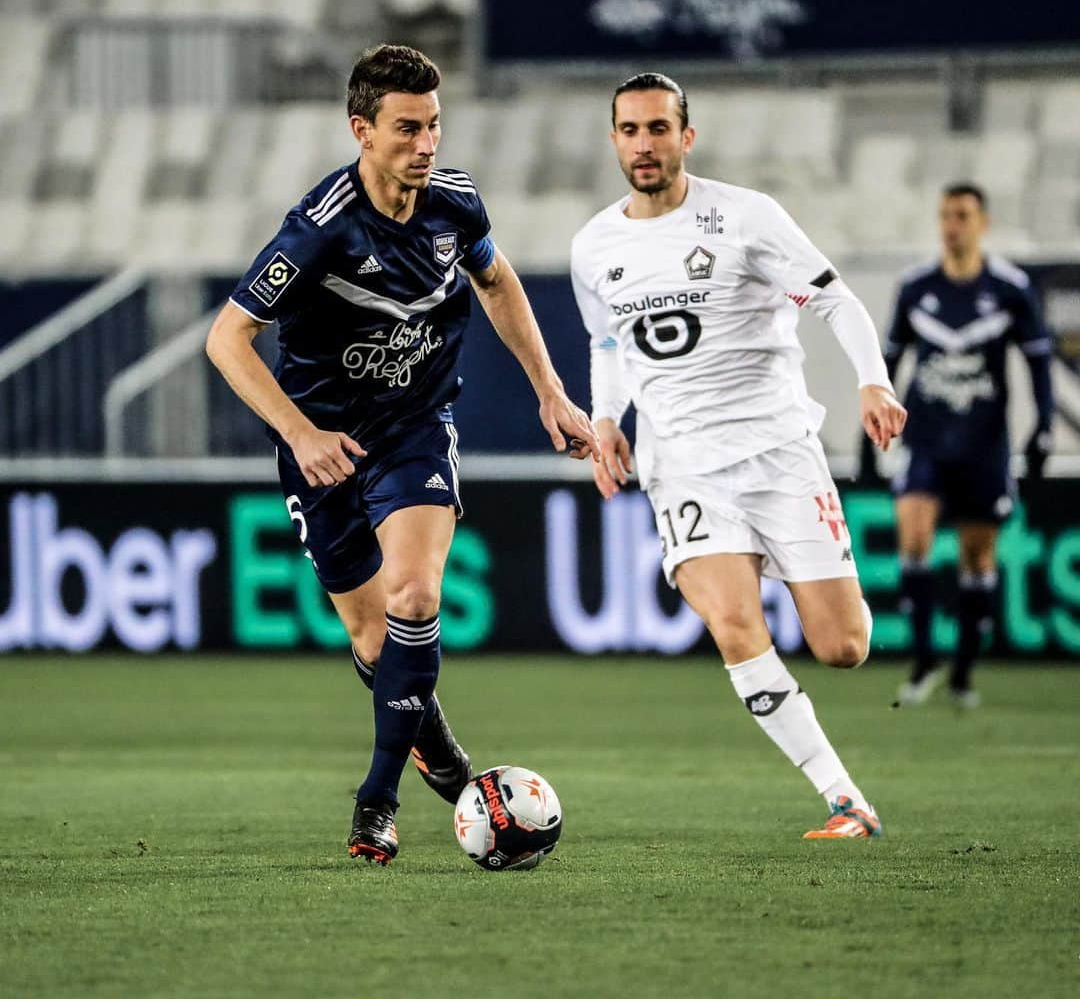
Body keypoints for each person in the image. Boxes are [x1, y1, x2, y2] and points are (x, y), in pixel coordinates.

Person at [206, 44, 598, 865]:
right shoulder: (319, 228)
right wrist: (300, 433)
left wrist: (551, 392)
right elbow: (228, 338)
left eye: (435, 126)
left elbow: (496, 281)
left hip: (414, 429)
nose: (427, 144)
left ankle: (375, 801)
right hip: (322, 449)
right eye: (408, 128)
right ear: (362, 130)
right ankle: (440, 750)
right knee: (376, 642)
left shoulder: (456, 204)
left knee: (415, 595)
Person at [570, 73, 906, 839]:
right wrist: (607, 418)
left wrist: (873, 383)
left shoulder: (746, 217)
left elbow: (834, 298)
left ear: (687, 136)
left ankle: (825, 585)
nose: (644, 144)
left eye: (659, 128)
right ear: (614, 139)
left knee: (843, 646)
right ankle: (844, 798)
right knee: (732, 624)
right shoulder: (594, 246)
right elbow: (608, 340)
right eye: (629, 130)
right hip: (681, 465)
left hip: (778, 451)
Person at [881, 183, 1054, 709]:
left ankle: (961, 672)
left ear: (983, 223)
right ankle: (924, 657)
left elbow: (1038, 360)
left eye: (962, 215)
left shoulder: (1009, 288)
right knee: (913, 537)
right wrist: (876, 423)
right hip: (927, 436)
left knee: (977, 556)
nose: (951, 225)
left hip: (983, 442)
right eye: (945, 216)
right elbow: (888, 361)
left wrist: (1042, 425)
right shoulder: (916, 287)